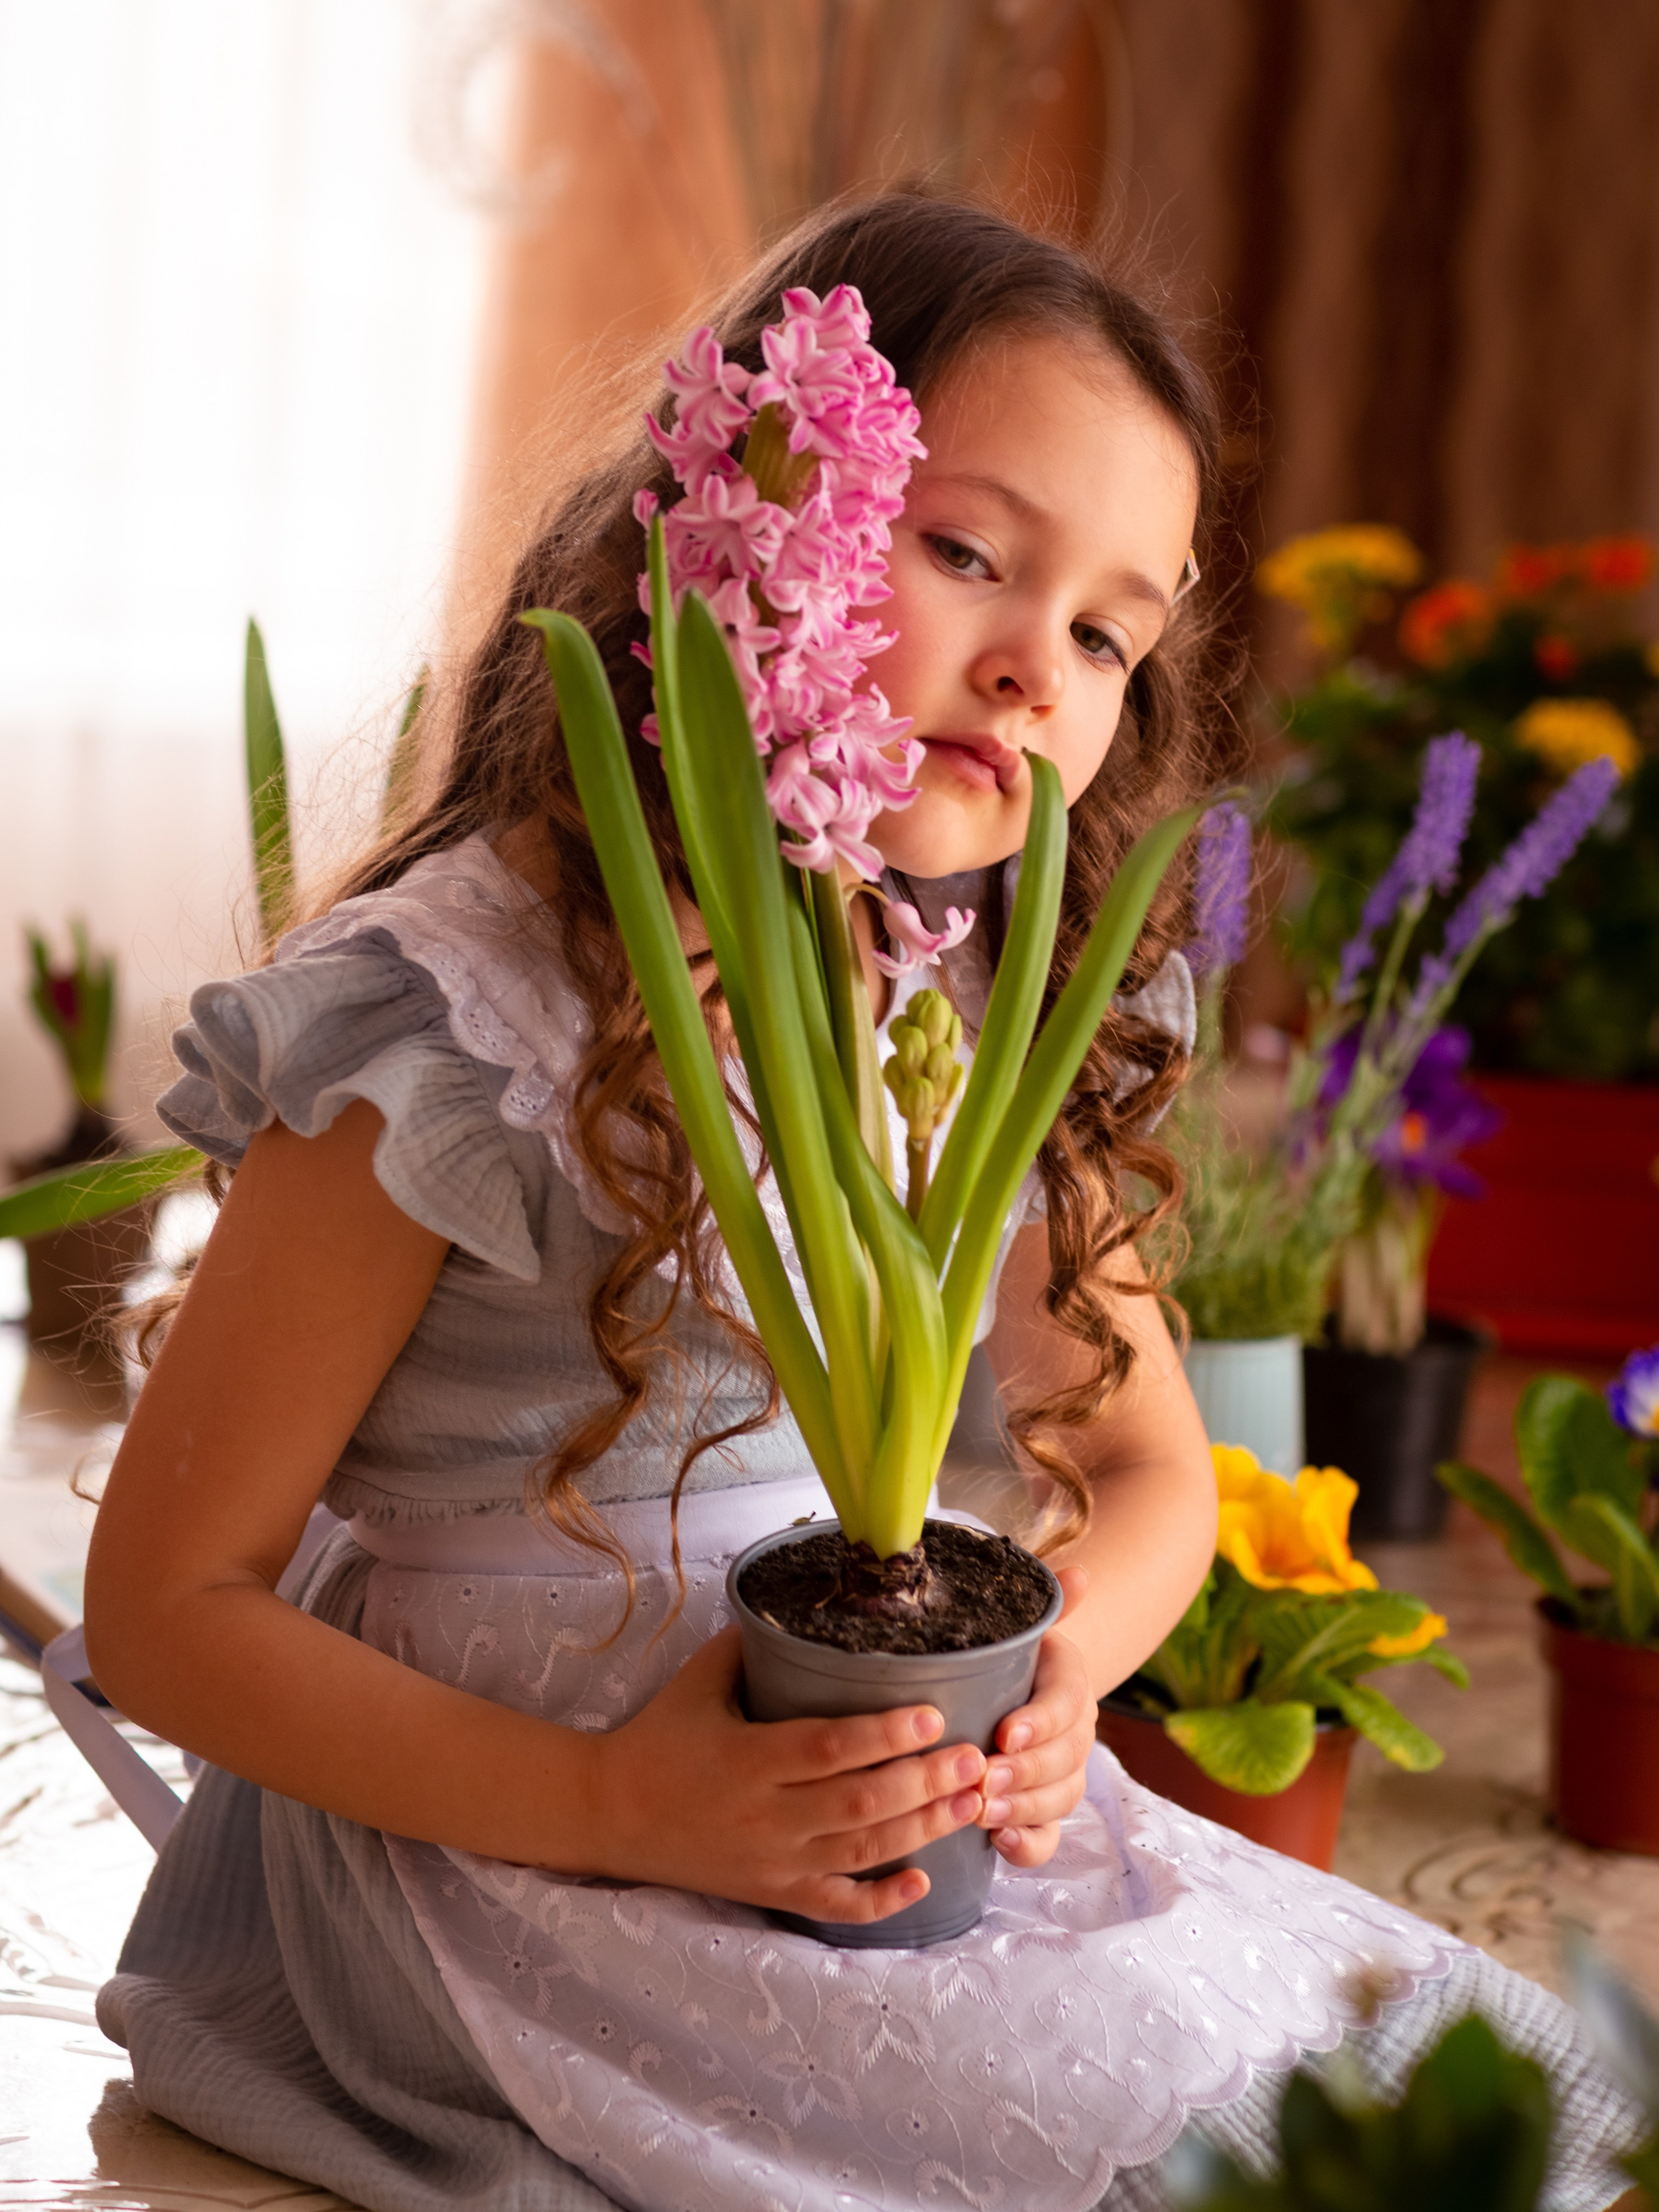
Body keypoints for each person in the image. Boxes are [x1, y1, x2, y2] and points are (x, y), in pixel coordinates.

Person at [85, 193, 1642, 2212]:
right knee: (1132, 2154)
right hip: (494, 1831)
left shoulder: (990, 1003)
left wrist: (1060, 1674)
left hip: (886, 1771)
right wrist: (610, 1804)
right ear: (758, 537)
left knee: (1436, 2078)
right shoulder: (460, 1007)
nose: (1027, 673)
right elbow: (164, 1606)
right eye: (966, 552)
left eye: (1104, 635)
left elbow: (1154, 1465)